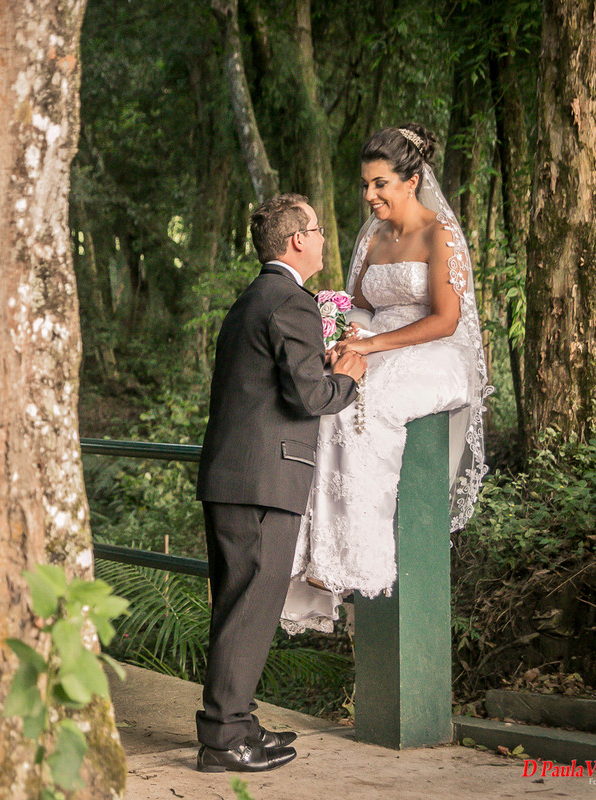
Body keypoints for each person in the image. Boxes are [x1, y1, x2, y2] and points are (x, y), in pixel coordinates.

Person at [280, 124, 493, 633]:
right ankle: (318, 561)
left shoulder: (440, 234)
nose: (368, 195)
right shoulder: (375, 237)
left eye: (379, 184)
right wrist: (342, 339)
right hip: (378, 340)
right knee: (335, 391)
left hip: (434, 350)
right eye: (365, 184)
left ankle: (362, 561)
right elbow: (360, 307)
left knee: (367, 399)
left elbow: (445, 319)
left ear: (412, 180)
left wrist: (371, 345)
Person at [195, 193, 367, 772]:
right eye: (316, 229)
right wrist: (346, 376)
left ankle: (237, 721)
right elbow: (309, 395)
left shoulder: (252, 299)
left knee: (238, 605)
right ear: (297, 240)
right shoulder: (291, 303)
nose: (322, 237)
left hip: (233, 476)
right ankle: (222, 738)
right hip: (263, 480)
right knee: (251, 608)